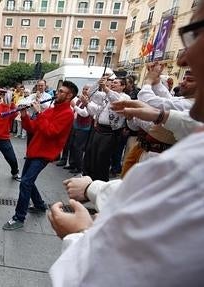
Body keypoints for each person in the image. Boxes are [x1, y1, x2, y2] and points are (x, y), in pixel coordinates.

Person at [48, 5, 204, 285]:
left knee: (100, 169)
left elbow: (100, 275)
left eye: (197, 33)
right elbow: (147, 192)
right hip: (116, 139)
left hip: (122, 140)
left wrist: (82, 234)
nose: (183, 60)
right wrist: (95, 189)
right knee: (93, 167)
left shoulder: (192, 169)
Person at [2, 81, 77, 230]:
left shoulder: (67, 114)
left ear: (69, 96)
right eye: (58, 90)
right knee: (27, 180)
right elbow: (33, 128)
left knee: (25, 182)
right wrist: (24, 115)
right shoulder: (50, 110)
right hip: (34, 150)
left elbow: (51, 132)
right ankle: (39, 205)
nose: (57, 93)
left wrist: (38, 113)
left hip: (44, 153)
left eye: (61, 92)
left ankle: (19, 217)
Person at [81, 76, 130, 181]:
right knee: (92, 155)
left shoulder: (125, 98)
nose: (112, 84)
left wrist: (106, 89)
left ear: (123, 86)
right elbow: (90, 93)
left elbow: (117, 102)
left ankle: (101, 181)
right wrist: (99, 82)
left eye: (116, 83)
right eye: (112, 82)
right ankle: (91, 180)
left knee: (102, 158)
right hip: (99, 130)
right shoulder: (105, 95)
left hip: (111, 133)